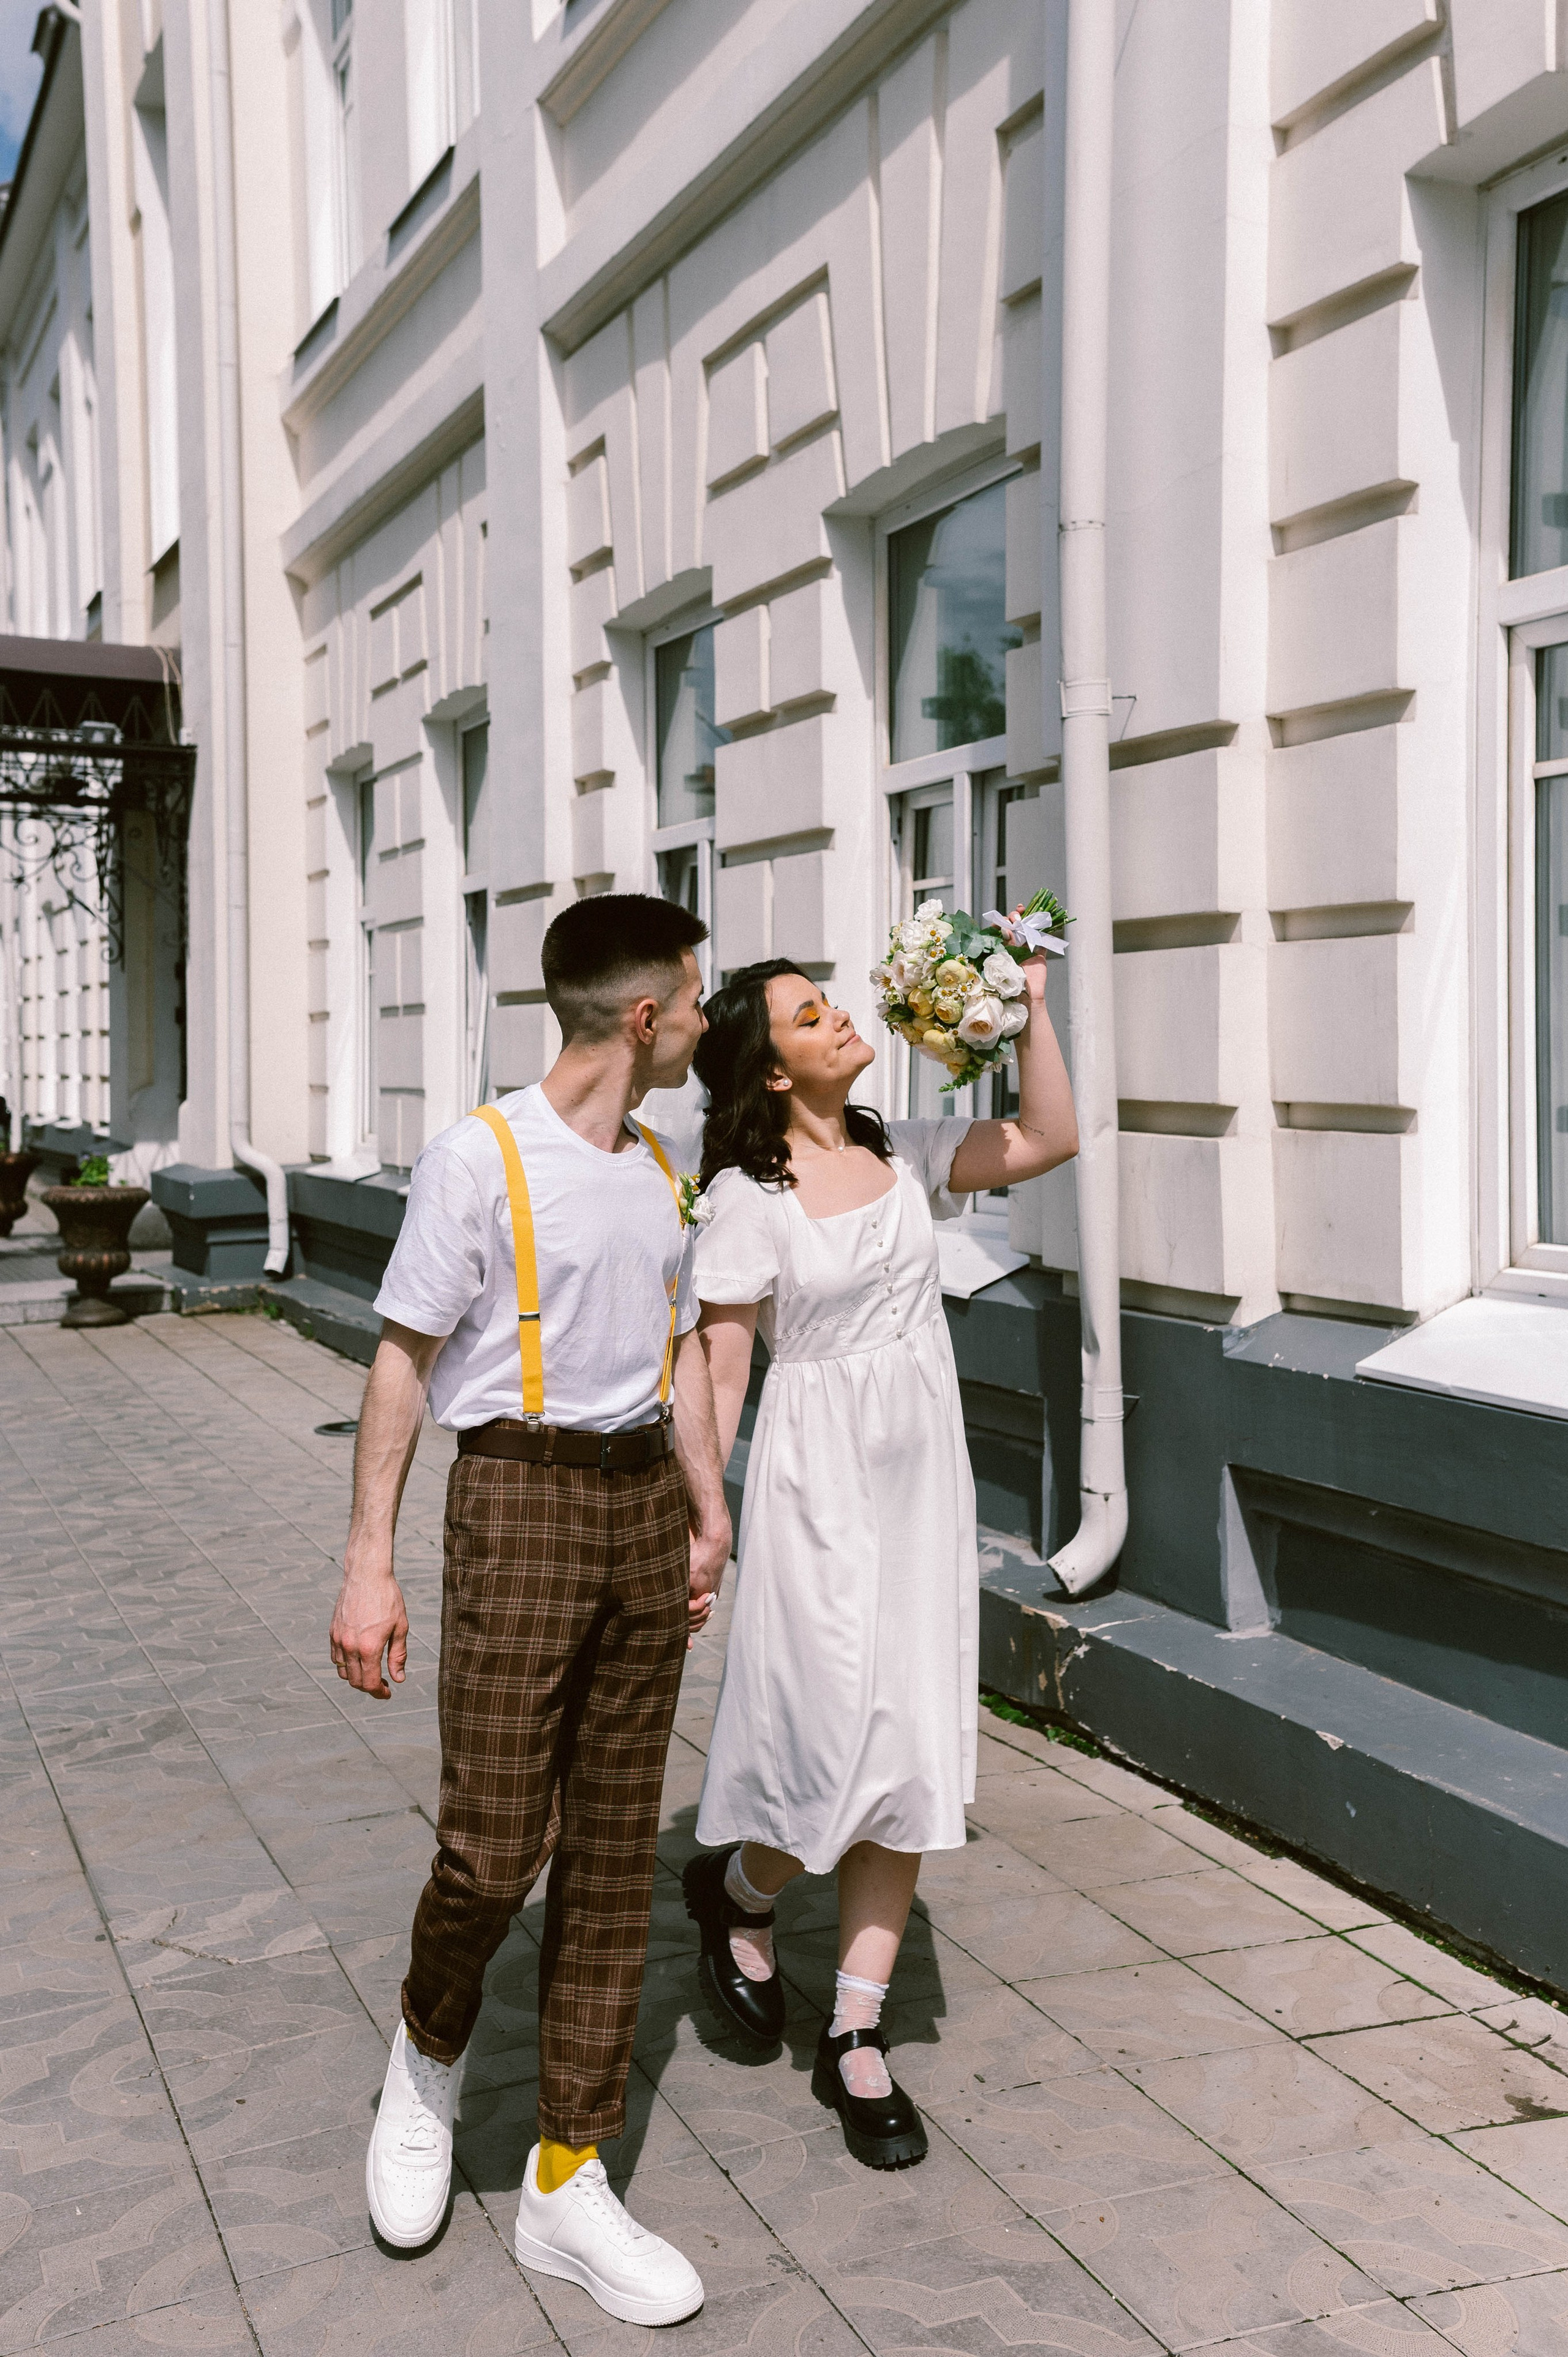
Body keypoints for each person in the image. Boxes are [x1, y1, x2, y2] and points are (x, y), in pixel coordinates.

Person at [328, 894, 730, 2326]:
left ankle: (569, 2171)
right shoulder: (477, 1158)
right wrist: (368, 1560)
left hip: (637, 1515)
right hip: (515, 1503)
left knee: (613, 1855)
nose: (702, 1016)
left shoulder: (658, 1165)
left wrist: (704, 1511)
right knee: (496, 1849)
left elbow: (675, 1350)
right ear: (642, 1017)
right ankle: (429, 2052)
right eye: (692, 997)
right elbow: (400, 1359)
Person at [682, 949, 1076, 2169]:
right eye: (809, 1013)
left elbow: (1050, 1137)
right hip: (811, 1487)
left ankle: (857, 2033)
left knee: (902, 1744)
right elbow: (721, 1370)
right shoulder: (745, 1198)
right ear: (765, 1061)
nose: (839, 1016)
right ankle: (743, 1887)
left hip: (916, 1484)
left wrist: (1031, 1011)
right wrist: (709, 1518)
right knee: (815, 1746)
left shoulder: (900, 1146)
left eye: (832, 1000)